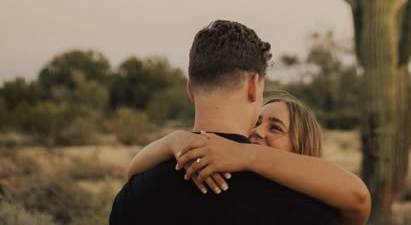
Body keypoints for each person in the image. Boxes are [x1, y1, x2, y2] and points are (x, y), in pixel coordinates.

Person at [109, 20, 349, 224]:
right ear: (254, 86)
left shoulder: (134, 195)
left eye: (275, 127)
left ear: (190, 90)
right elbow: (358, 200)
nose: (261, 132)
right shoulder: (304, 204)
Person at [127, 93, 371, 225]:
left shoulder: (315, 209)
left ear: (302, 147)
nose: (258, 131)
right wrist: (172, 141)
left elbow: (358, 199)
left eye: (275, 128)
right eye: (257, 122)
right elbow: (133, 172)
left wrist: (248, 154)